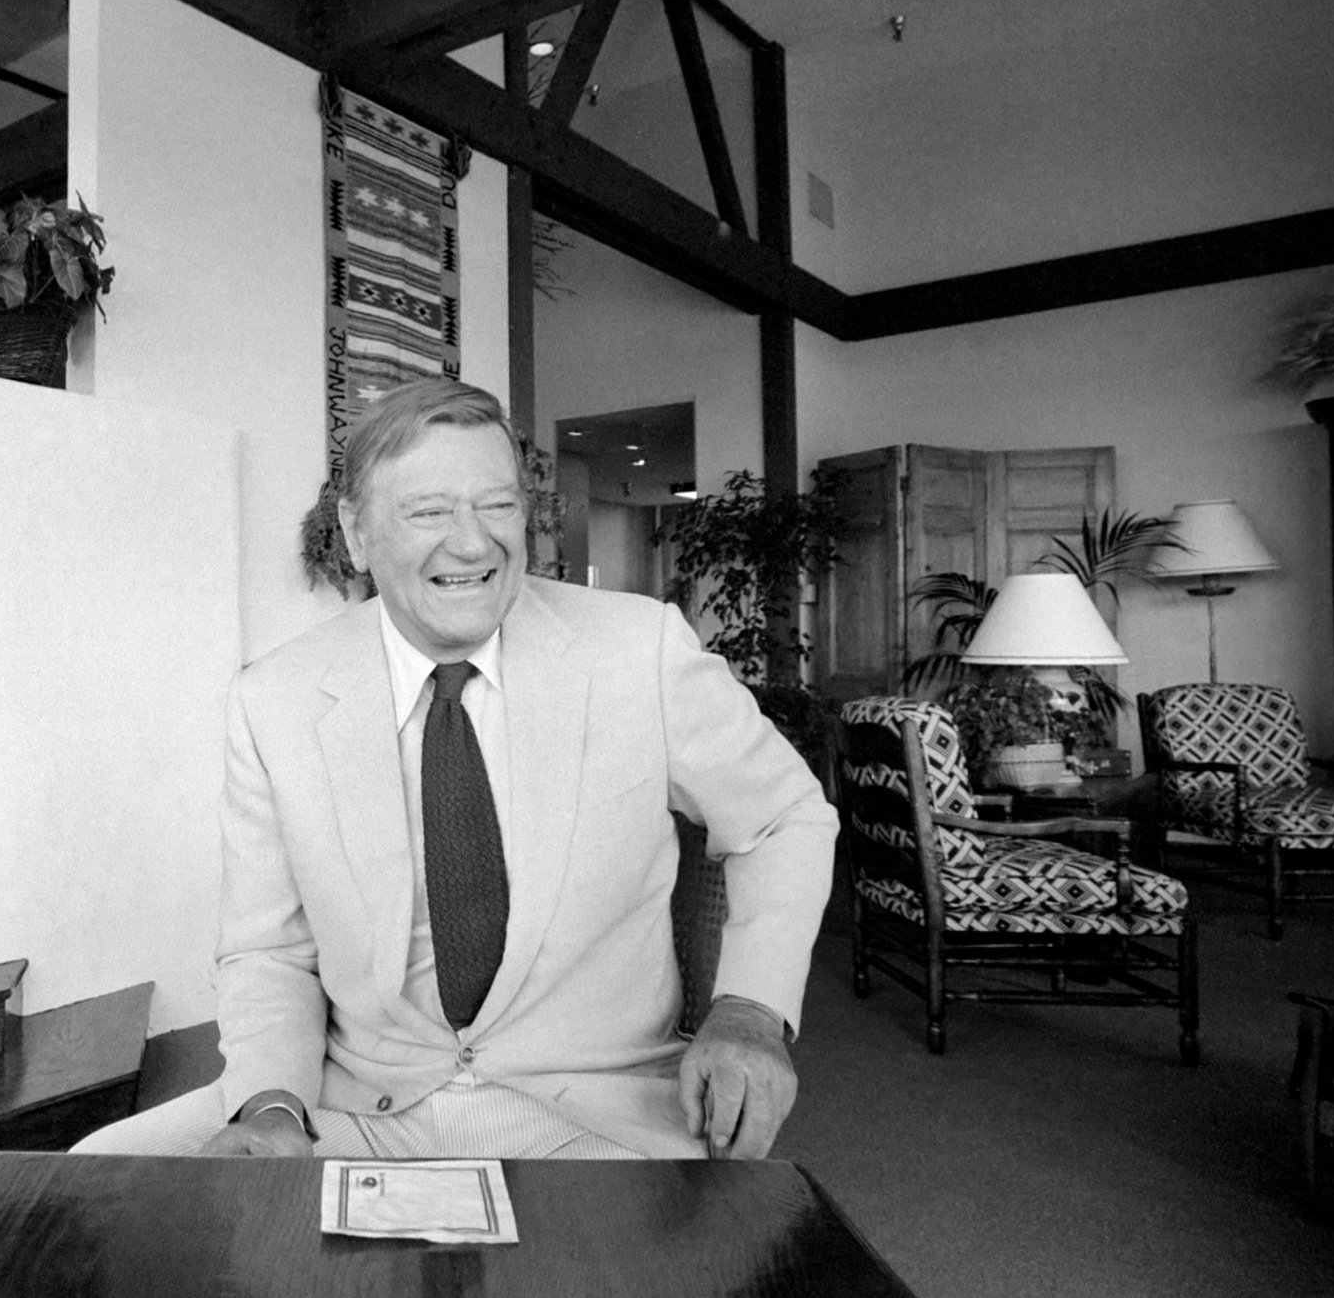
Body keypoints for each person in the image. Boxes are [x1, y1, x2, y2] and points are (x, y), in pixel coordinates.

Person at [73, 377, 837, 1162]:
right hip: (355, 1105)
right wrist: (271, 1107)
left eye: (497, 505)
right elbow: (270, 951)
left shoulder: (639, 651)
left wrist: (749, 1008)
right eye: (429, 510)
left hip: (598, 1107)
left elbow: (784, 817)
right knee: (92, 1183)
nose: (472, 543)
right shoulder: (274, 700)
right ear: (357, 532)